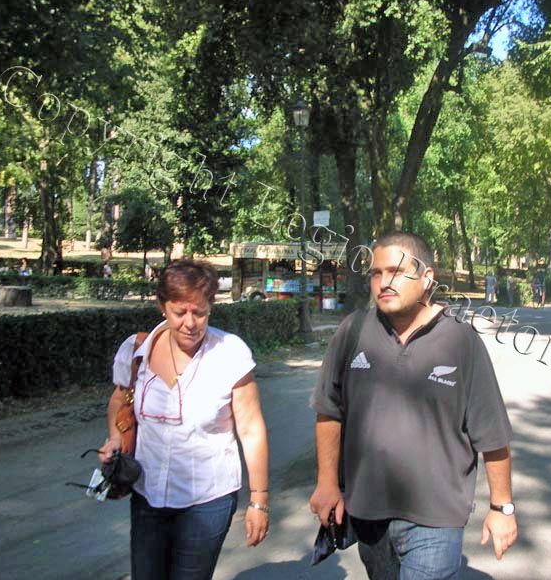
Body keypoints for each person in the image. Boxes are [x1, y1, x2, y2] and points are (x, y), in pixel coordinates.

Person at [310, 232, 516, 579]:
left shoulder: (460, 341)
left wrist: (502, 507)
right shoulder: (354, 331)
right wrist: (327, 483)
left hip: (436, 518)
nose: (384, 282)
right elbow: (329, 410)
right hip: (368, 512)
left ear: (427, 278)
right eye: (376, 273)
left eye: (396, 271)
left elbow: (492, 432)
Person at [98, 259, 269, 580]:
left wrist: (258, 500)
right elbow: (119, 400)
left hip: (208, 500)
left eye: (199, 312)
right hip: (148, 496)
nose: (190, 323)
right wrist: (115, 438)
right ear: (162, 306)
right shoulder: (137, 350)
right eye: (180, 312)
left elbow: (251, 429)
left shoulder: (230, 354)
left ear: (210, 307)